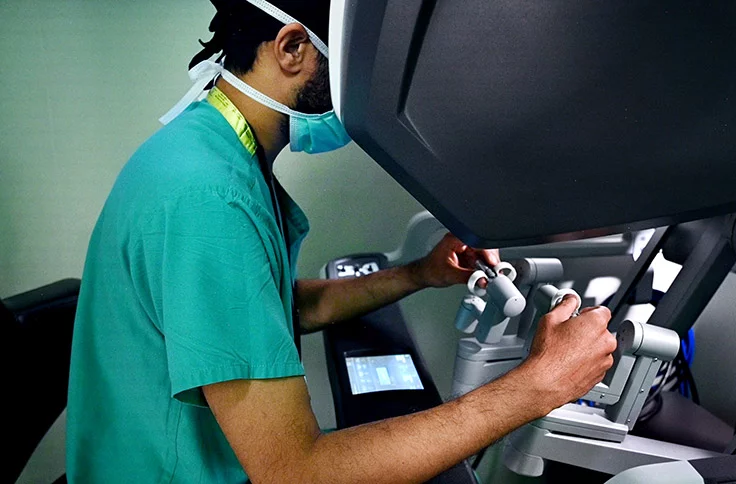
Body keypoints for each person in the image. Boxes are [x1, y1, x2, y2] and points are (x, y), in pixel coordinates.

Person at [66, 0, 617, 482]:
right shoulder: (208, 196)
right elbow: (294, 472)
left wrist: (418, 272)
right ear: (292, 48)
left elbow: (274, 310)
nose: (363, 89)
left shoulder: (207, 150)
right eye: (353, 63)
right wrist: (536, 386)